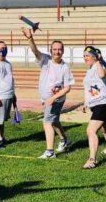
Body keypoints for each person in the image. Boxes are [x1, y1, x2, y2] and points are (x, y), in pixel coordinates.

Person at [22, 26, 75, 159]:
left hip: (56, 100)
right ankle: (64, 140)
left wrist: (53, 98)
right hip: (46, 99)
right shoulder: (45, 60)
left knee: (47, 122)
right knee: (54, 121)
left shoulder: (64, 67)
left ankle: (50, 152)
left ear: (63, 51)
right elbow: (35, 51)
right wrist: (30, 38)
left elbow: (67, 88)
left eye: (60, 49)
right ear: (51, 50)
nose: (57, 52)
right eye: (55, 49)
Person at [81, 46, 106, 169]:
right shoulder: (89, 69)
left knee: (90, 130)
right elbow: (89, 88)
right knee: (104, 128)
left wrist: (98, 61)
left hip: (104, 104)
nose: (85, 58)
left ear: (95, 56)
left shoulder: (99, 66)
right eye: (84, 56)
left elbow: (101, 75)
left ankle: (92, 159)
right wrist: (86, 102)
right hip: (95, 105)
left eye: (87, 55)